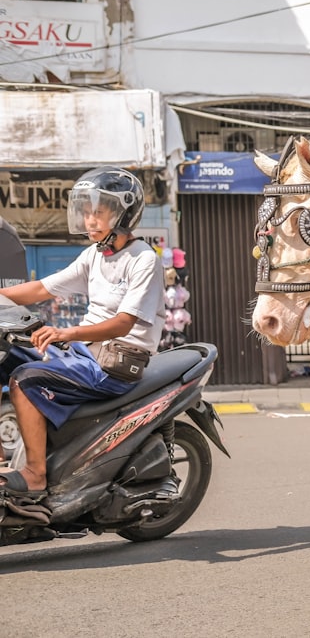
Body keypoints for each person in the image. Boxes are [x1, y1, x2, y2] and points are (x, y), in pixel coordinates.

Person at [0, 167, 166, 495]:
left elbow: (124, 323)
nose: (89, 220)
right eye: (86, 212)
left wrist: (66, 333)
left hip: (117, 360)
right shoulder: (93, 255)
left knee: (25, 379)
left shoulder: (143, 259)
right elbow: (41, 290)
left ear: (122, 213)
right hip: (84, 352)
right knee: (5, 358)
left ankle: (35, 474)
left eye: (98, 213)